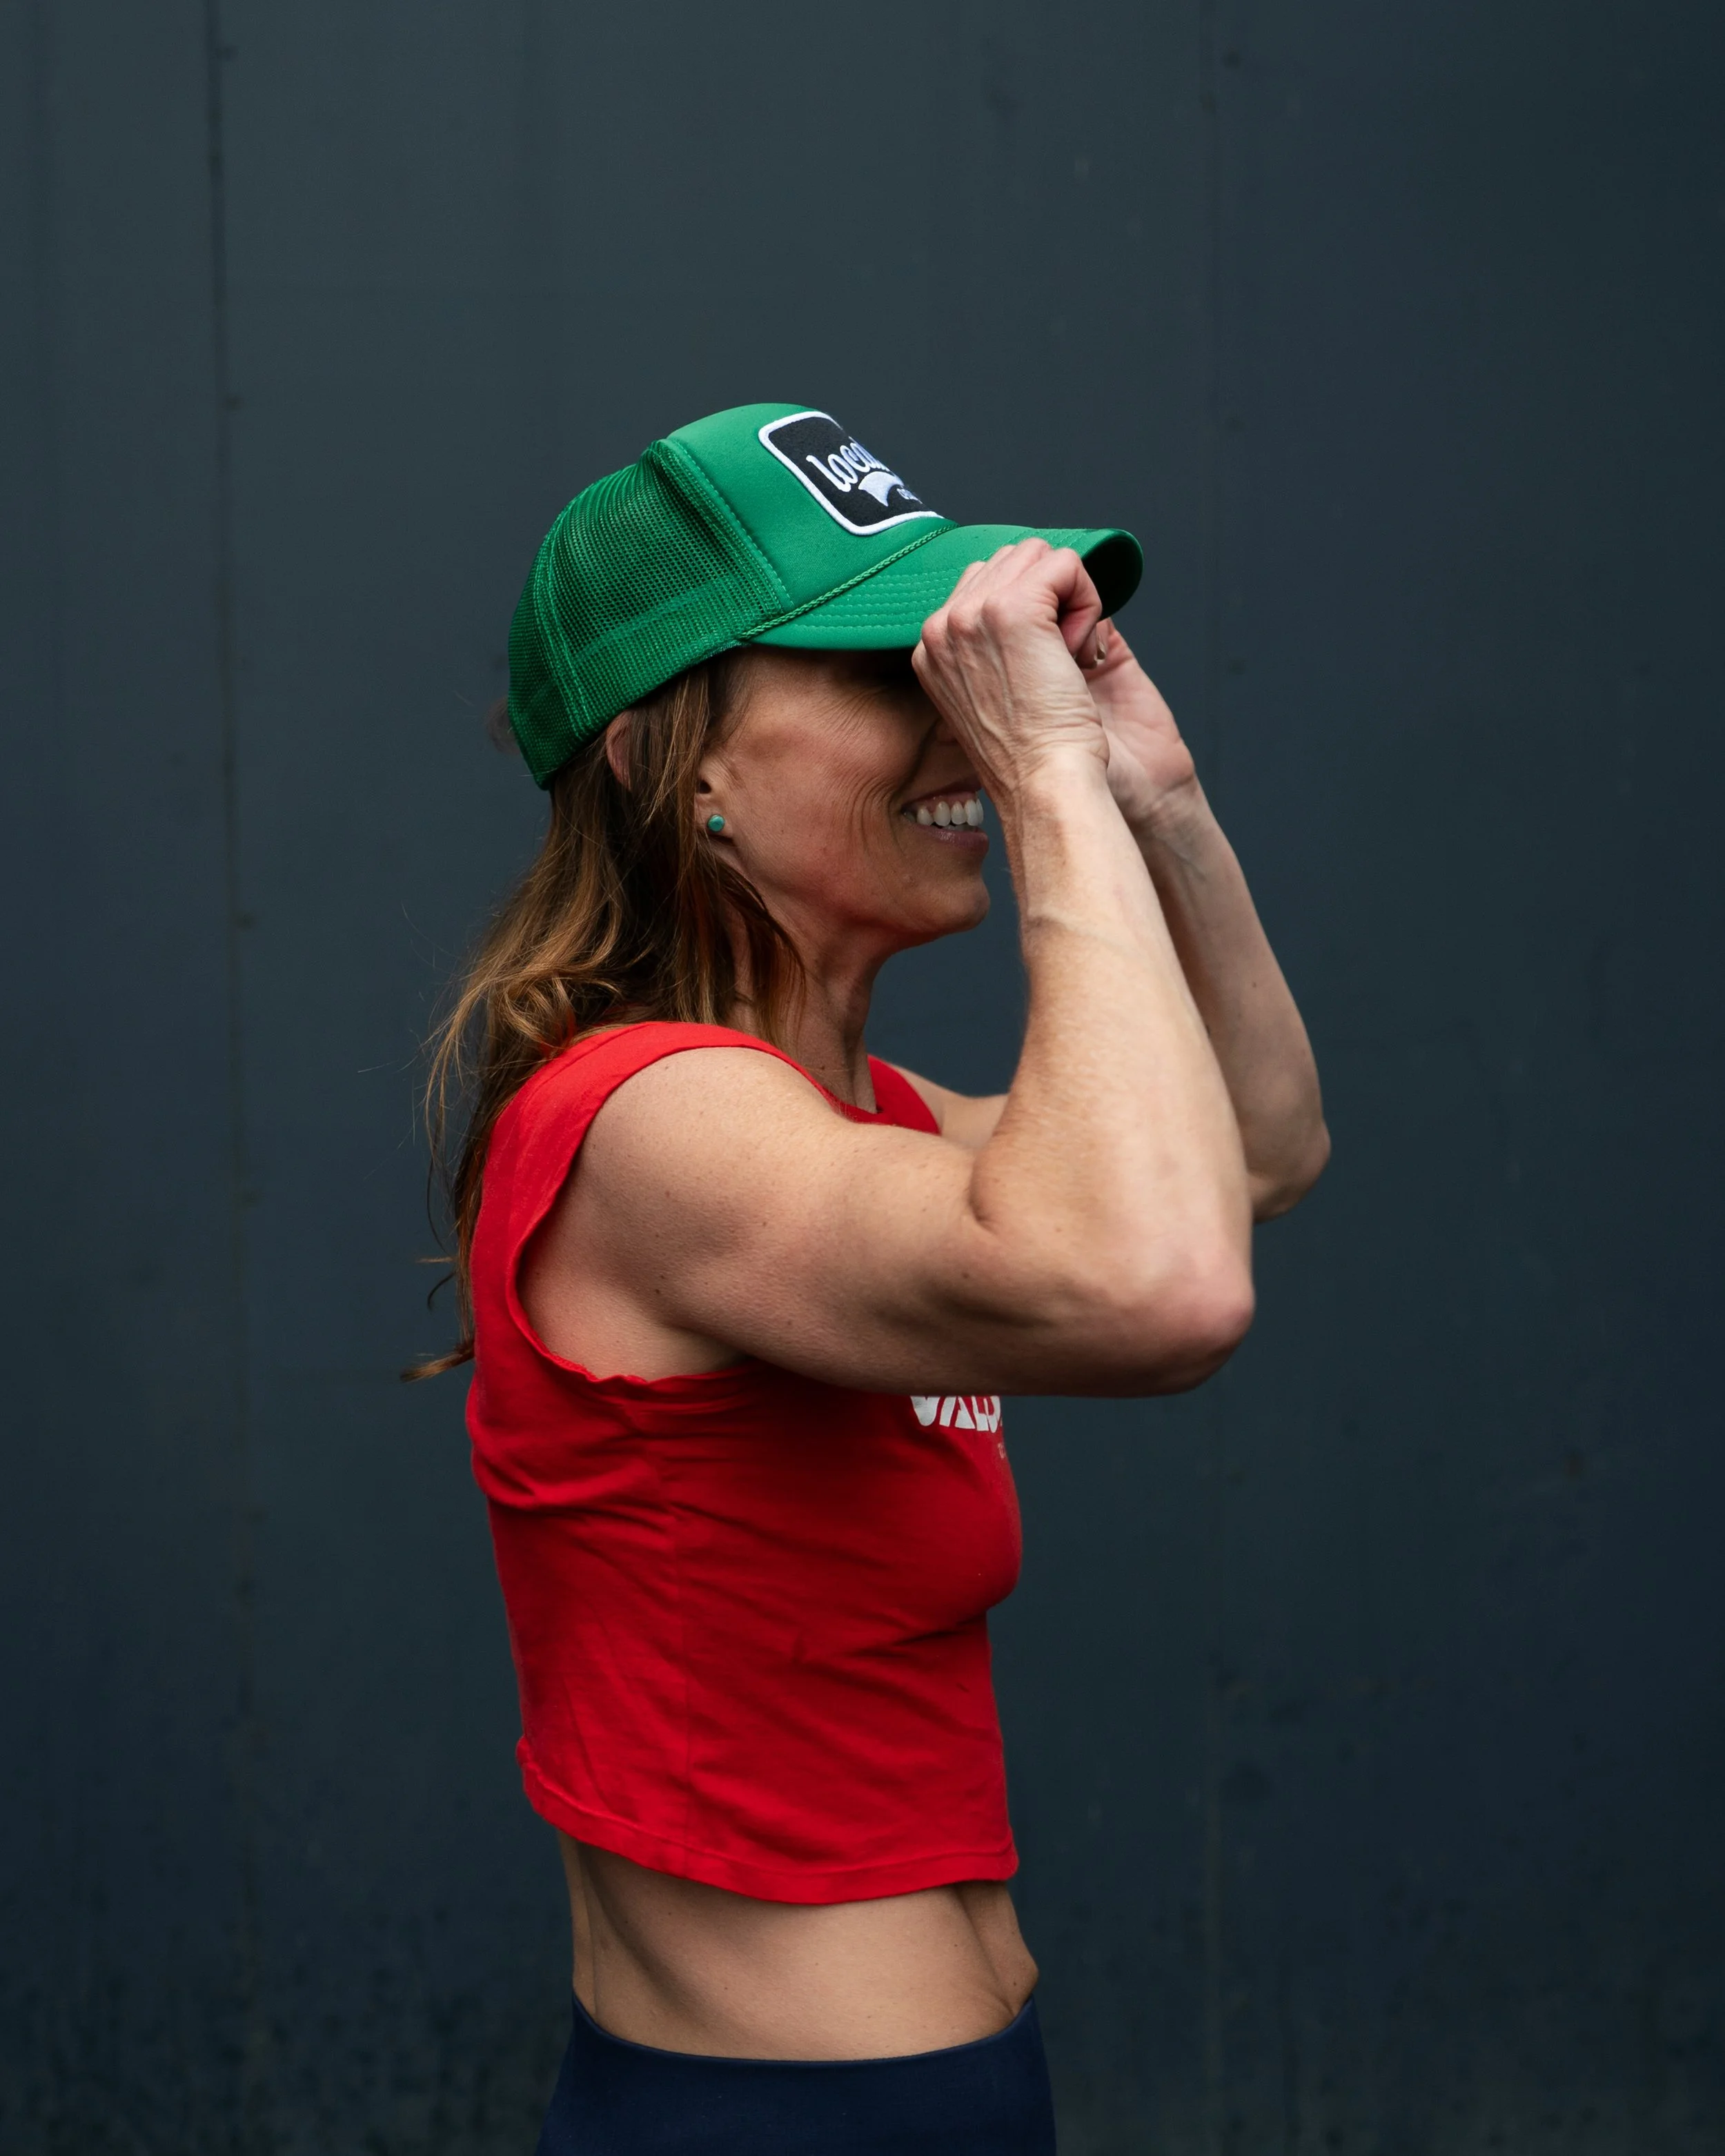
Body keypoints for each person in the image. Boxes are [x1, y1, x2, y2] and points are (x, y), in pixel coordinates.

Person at [418, 404, 1328, 2154]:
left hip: (921, 2090)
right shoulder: (650, 1124)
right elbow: (1157, 1286)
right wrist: (1049, 782)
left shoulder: (865, 1125)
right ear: (667, 760)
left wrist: (1159, 803)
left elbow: (1254, 1151)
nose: (960, 719)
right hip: (771, 2114)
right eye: (870, 662)